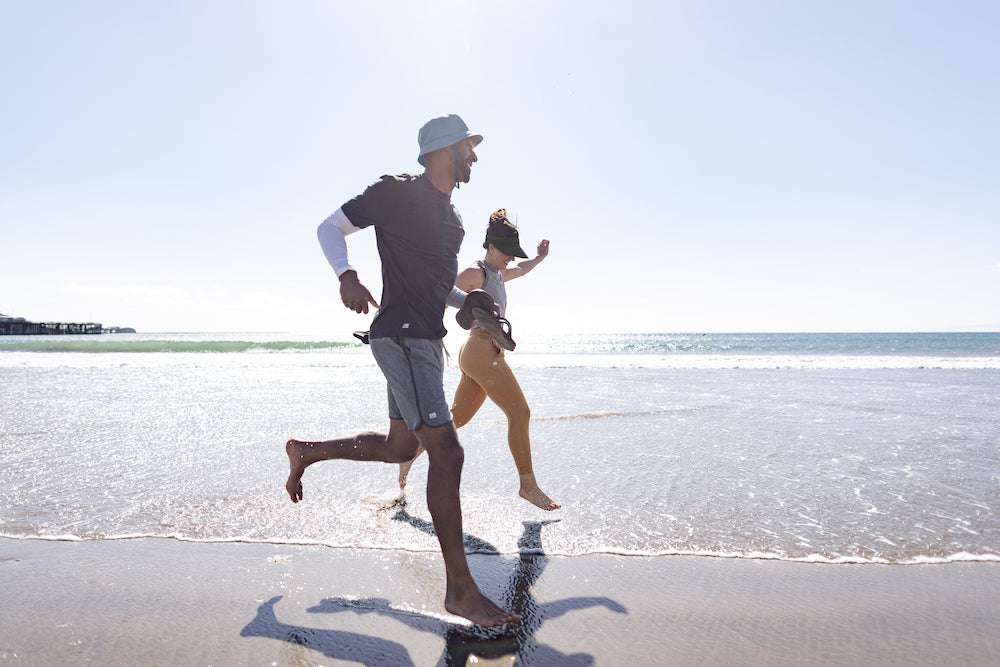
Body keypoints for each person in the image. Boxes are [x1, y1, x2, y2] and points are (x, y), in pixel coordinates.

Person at [284, 114, 520, 628]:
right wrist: (346, 275)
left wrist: (473, 299)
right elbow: (330, 226)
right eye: (469, 148)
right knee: (447, 451)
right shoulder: (395, 192)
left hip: (426, 340)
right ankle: (460, 591)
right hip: (401, 337)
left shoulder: (453, 220)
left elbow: (441, 290)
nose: (475, 157)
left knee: (402, 448)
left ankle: (308, 452)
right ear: (445, 150)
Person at [398, 210, 561, 511]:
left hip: (483, 353)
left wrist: (540, 257)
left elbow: (521, 269)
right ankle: (527, 485)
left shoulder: (498, 274)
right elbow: (439, 292)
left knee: (455, 418)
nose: (511, 259)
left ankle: (409, 453)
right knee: (520, 413)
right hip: (480, 350)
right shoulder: (478, 272)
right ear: (492, 247)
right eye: (507, 253)